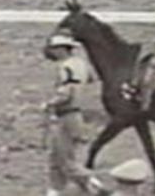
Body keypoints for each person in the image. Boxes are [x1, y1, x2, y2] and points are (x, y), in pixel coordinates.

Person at [43, 34, 103, 196]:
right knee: (56, 155)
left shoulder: (66, 67)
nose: (52, 52)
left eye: (55, 49)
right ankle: (55, 190)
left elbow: (66, 93)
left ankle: (93, 184)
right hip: (77, 114)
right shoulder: (81, 64)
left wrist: (50, 103)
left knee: (64, 159)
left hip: (66, 114)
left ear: (62, 49)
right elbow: (91, 80)